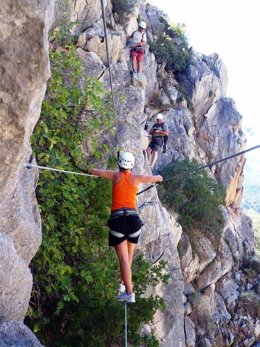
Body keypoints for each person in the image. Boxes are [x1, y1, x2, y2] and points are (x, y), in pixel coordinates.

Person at [89, 152, 163, 303]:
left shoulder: (115, 176)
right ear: (132, 164)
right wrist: (159, 179)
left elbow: (95, 171)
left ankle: (129, 292)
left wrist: (87, 171)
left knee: (123, 258)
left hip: (118, 221)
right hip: (134, 221)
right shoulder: (136, 178)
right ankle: (123, 284)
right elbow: (155, 178)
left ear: (119, 163)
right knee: (128, 257)